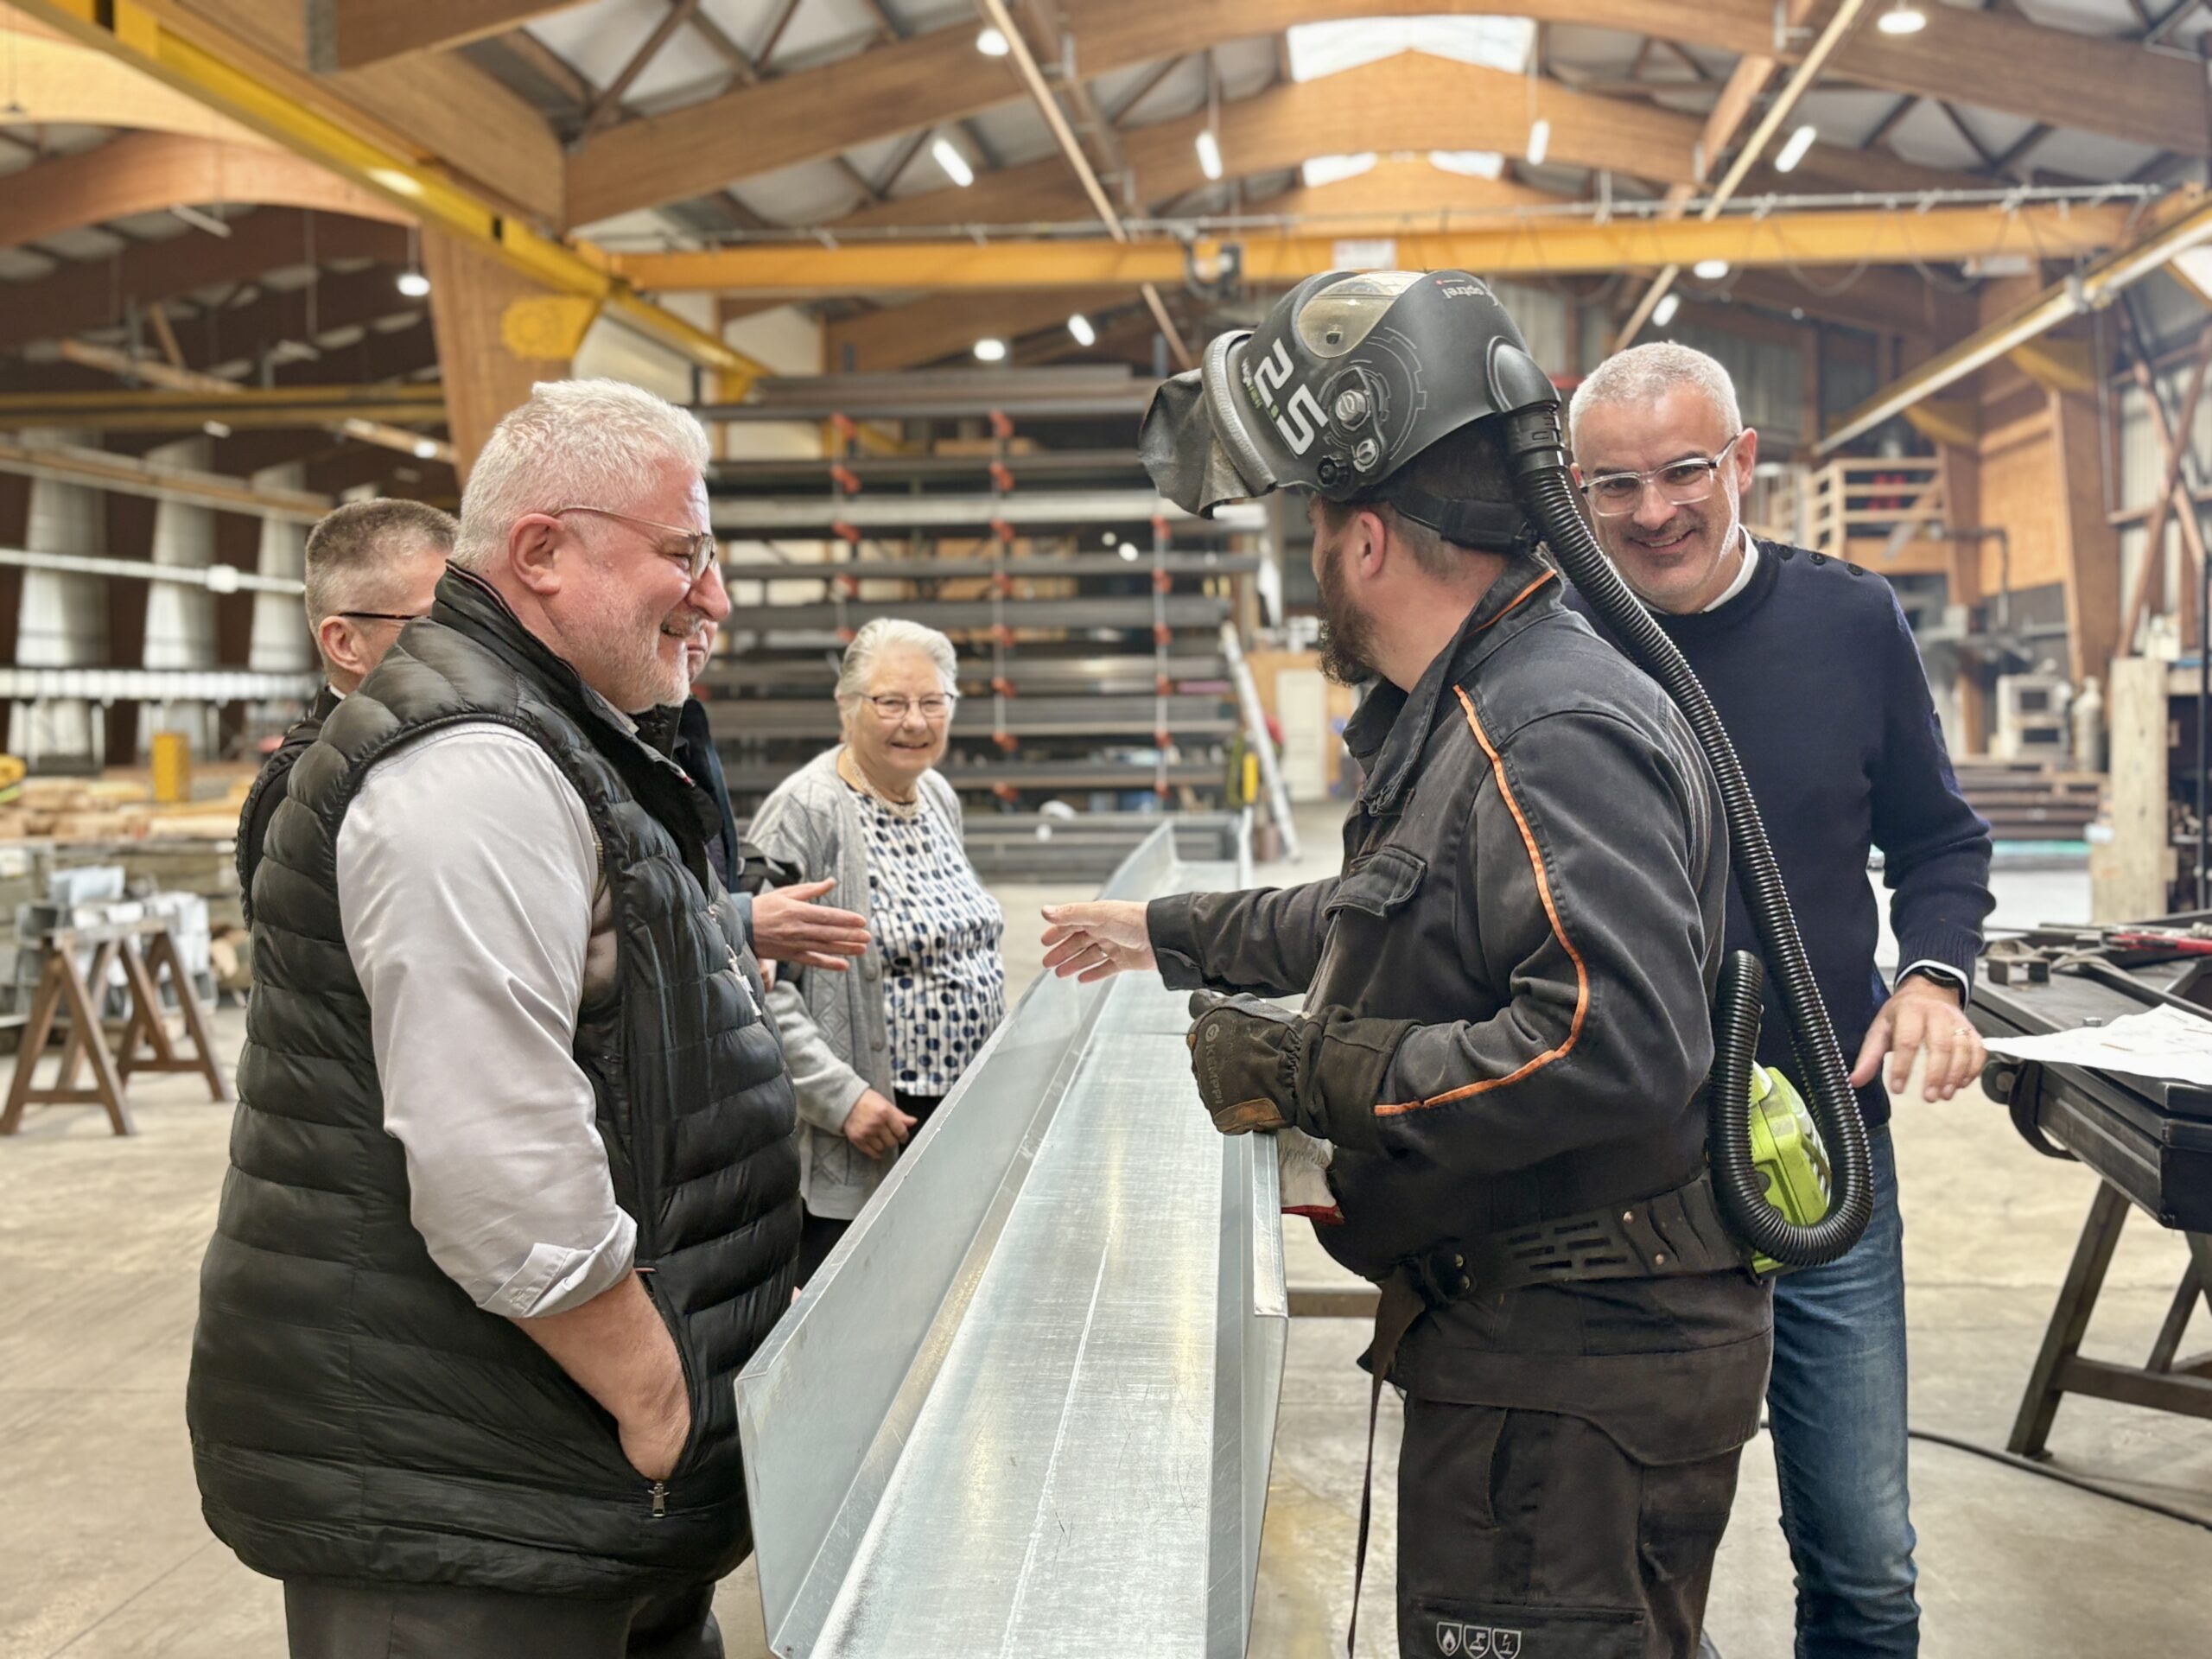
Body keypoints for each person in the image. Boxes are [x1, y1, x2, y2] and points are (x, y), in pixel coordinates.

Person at [1040, 272, 1770, 1658]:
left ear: (1363, 537)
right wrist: (1173, 933)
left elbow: (1604, 1045)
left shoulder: (1543, 725)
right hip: (1545, 1348)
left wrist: (1311, 1072)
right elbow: (1398, 912)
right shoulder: (1486, 703)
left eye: (1308, 527)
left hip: (1571, 1371)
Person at [188, 378, 803, 1659]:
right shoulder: (471, 766)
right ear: (540, 554)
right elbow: (494, 1164)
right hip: (478, 1501)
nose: (716, 596)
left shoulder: (566, 737)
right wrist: (658, 1401)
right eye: (684, 555)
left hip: (551, 1485)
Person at [1567, 341, 1994, 1659]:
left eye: (1685, 470)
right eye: (1614, 485)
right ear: (1570, 495)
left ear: (1745, 461)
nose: (1654, 512)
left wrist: (1931, 974)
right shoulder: (1553, 640)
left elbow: (1940, 841)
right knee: (1602, 1567)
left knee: (1864, 1561)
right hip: (1613, 1179)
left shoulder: (1850, 620)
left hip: (1822, 1156)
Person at [747, 618, 1007, 1285]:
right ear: (847, 706)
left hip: (953, 1115)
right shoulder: (807, 810)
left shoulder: (937, 795)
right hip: (872, 1125)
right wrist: (841, 1098)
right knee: (866, 1313)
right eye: (890, 702)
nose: (913, 722)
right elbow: (753, 977)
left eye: (932, 702)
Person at [235, 498, 451, 917]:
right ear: (344, 643)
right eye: (433, 621)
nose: (467, 640)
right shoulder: (303, 788)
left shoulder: (425, 747)